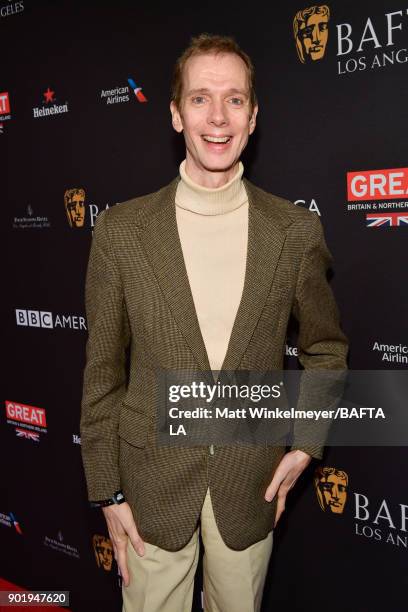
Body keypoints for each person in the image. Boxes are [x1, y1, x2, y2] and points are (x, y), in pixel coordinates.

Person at [80, 33, 348, 612]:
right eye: (201, 99)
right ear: (176, 114)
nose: (218, 117)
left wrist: (304, 445)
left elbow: (325, 350)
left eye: (235, 99)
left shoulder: (294, 232)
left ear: (253, 116)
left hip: (249, 485)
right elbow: (102, 377)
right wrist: (107, 491)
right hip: (149, 487)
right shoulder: (121, 233)